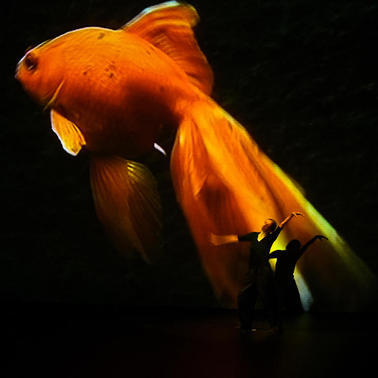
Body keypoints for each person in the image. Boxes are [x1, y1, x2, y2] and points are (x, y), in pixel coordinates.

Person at [211, 212, 303, 333]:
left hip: (263, 272)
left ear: (271, 229)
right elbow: (236, 238)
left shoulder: (271, 237)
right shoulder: (253, 236)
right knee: (243, 297)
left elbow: (281, 225)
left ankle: (274, 325)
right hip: (252, 272)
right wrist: (219, 239)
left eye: (268, 225)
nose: (265, 225)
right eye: (265, 223)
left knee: (267, 298)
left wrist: (290, 216)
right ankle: (246, 325)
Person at [269, 235, 328, 315]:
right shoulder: (293, 254)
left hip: (282, 280)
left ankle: (279, 316)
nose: (297, 248)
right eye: (297, 247)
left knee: (282, 299)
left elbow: (267, 257)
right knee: (288, 298)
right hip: (287, 280)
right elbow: (306, 246)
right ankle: (283, 315)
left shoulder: (281, 253)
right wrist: (315, 237)